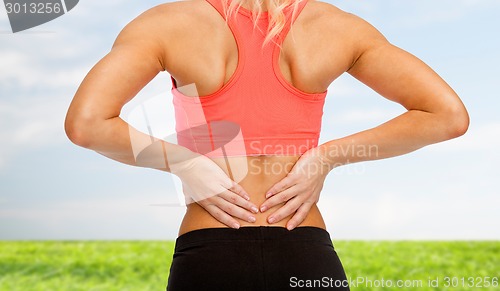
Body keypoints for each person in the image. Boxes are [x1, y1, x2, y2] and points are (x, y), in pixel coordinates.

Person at [64, 0, 469, 289]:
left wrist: (185, 163)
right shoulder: (337, 26)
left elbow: (87, 124)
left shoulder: (168, 22)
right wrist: (326, 157)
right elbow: (447, 116)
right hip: (304, 250)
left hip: (210, 251)